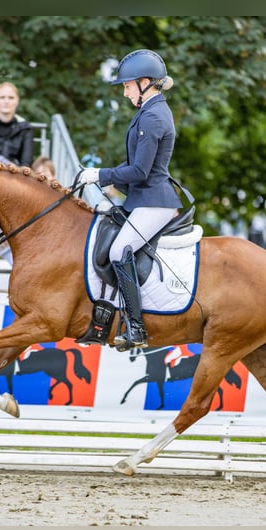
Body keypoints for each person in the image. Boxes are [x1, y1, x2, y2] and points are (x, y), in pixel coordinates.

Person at [77, 48, 186, 350]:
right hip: (142, 197)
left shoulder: (153, 116)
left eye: (127, 86)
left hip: (154, 201)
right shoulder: (148, 111)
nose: (125, 93)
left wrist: (100, 175)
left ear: (145, 82)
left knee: (118, 252)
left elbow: (139, 170)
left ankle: (136, 328)